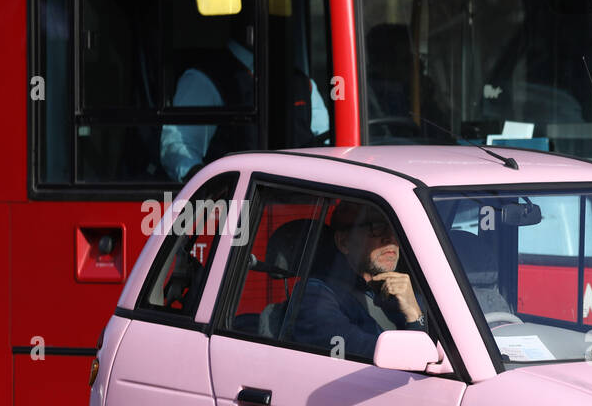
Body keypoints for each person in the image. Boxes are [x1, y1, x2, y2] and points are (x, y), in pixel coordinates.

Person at [160, 28, 330, 182]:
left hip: (301, 202)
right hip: (233, 207)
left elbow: (330, 145)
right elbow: (178, 149)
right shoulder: (204, 79)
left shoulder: (302, 83)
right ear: (248, 24)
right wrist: (211, 187)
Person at [293, 202, 426, 359]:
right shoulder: (315, 295)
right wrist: (414, 316)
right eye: (376, 227)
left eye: (396, 228)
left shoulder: (404, 289)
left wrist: (416, 312)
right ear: (344, 242)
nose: (391, 239)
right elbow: (356, 355)